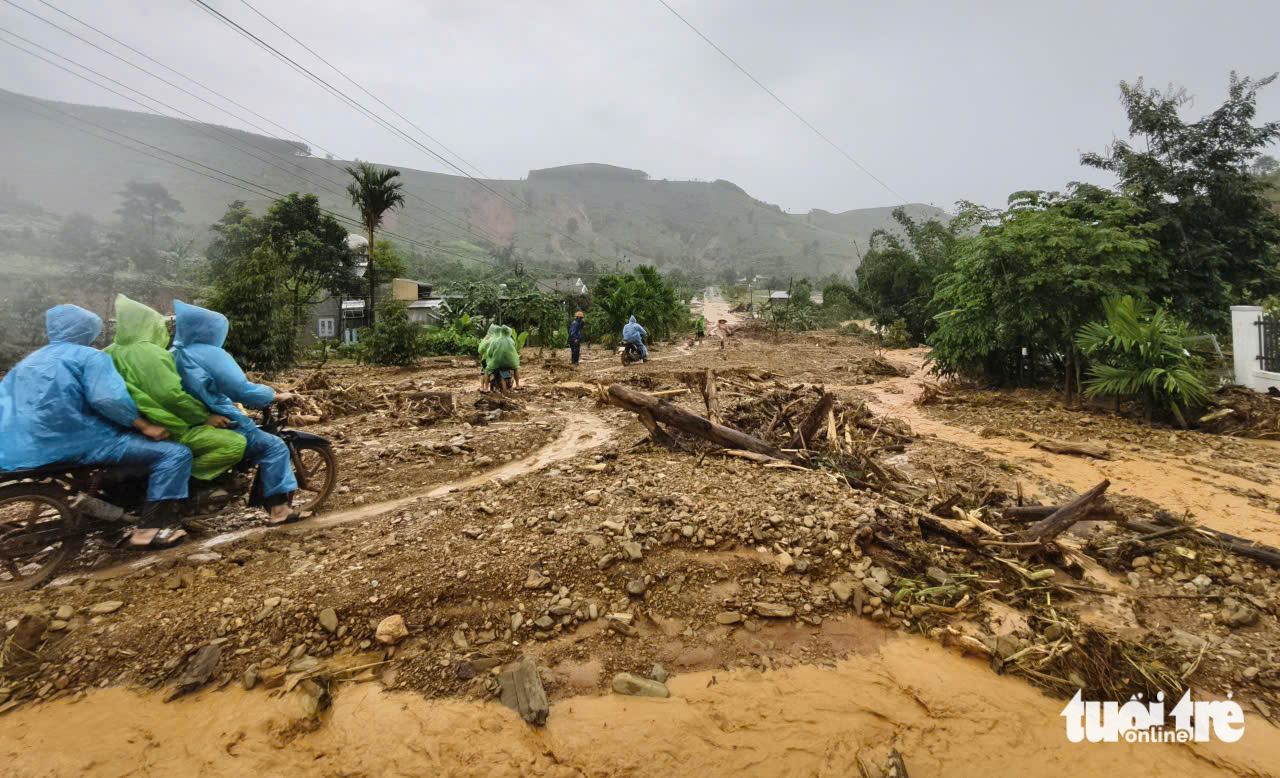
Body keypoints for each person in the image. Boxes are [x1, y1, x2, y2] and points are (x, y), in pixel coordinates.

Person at [0, 304, 192, 549]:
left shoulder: (30, 361)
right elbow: (108, 399)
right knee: (176, 454)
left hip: (25, 446)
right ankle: (149, 530)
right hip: (81, 441)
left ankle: (111, 521)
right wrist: (145, 426)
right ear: (88, 330)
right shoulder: (90, 356)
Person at [169, 301, 300, 525]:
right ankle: (279, 510)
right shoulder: (211, 354)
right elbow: (241, 389)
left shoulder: (172, 353)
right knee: (274, 447)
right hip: (219, 417)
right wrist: (274, 396)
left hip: (183, 422)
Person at [105, 295, 247, 488]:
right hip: (168, 426)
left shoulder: (108, 352)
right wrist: (203, 417)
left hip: (130, 426)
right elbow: (171, 396)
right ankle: (184, 485)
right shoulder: (152, 354)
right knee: (234, 443)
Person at [485, 325, 520, 392]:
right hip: (511, 362)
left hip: (497, 362)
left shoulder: (495, 341)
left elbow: (489, 352)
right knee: (516, 368)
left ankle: (486, 388)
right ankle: (518, 385)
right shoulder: (511, 340)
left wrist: (490, 356)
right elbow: (514, 350)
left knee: (487, 370)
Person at [478, 324, 499, 392]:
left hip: (485, 359)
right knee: (496, 372)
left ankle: (483, 387)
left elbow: (480, 350)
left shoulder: (485, 339)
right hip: (495, 360)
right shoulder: (498, 339)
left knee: (483, 372)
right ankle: (496, 388)